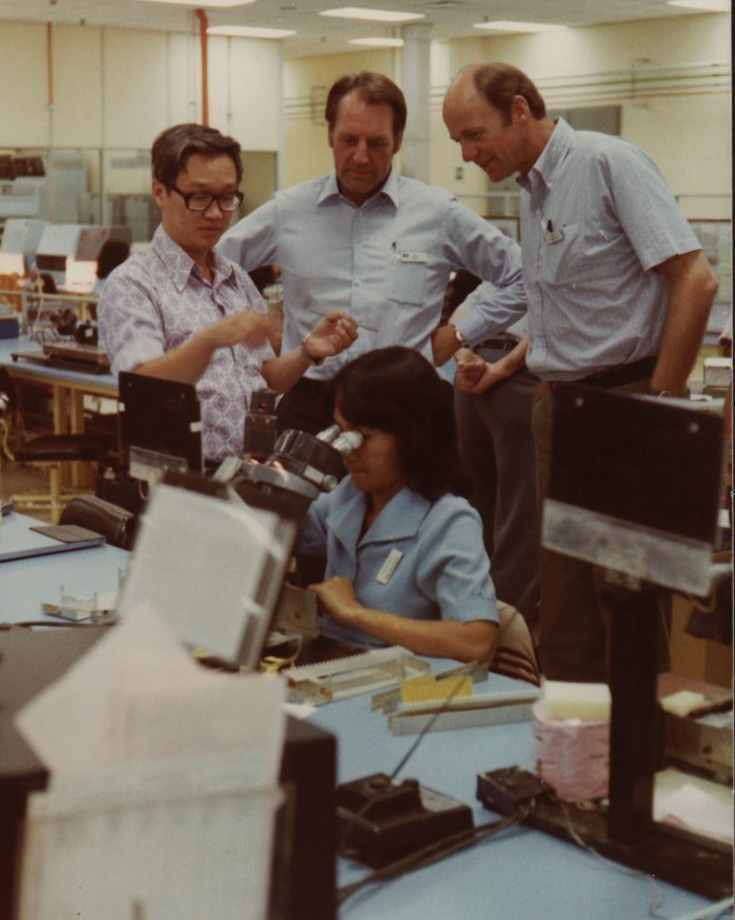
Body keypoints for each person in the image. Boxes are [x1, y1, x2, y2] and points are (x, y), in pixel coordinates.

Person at [443, 62, 718, 682]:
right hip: (560, 407)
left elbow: (696, 281)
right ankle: (574, 758)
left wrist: (661, 403)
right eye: (458, 140)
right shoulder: (533, 188)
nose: (466, 152)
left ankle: (634, 764)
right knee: (563, 608)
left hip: (625, 404)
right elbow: (567, 308)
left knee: (625, 600)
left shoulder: (606, 164)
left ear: (518, 110)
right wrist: (517, 369)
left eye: (473, 133)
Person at [221, 71, 526, 434]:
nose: (361, 157)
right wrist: (250, 325)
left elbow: (525, 274)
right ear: (329, 136)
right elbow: (211, 270)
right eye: (349, 140)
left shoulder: (436, 212)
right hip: (311, 406)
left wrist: (460, 333)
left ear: (397, 141)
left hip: (406, 408)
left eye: (377, 143)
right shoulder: (289, 210)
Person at [98, 124, 358, 467]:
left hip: (245, 470)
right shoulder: (134, 284)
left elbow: (263, 377)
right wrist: (209, 341)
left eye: (226, 197)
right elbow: (143, 388)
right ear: (160, 192)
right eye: (199, 197)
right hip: (179, 477)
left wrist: (307, 352)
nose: (216, 213)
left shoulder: (234, 278)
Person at [297, 347, 499, 664]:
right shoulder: (349, 496)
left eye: (363, 436)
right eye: (342, 432)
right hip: (329, 667)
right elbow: (280, 529)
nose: (348, 450)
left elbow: (477, 641)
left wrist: (356, 614)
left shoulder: (448, 521)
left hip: (395, 686)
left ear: (412, 436)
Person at [450, 281, 540, 628]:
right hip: (489, 372)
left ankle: (490, 630)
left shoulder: (538, 260)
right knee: (492, 512)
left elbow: (551, 327)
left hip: (504, 369)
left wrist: (480, 363)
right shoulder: (520, 262)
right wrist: (464, 358)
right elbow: (460, 317)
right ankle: (481, 628)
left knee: (506, 516)